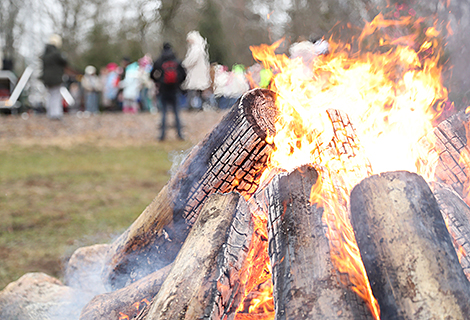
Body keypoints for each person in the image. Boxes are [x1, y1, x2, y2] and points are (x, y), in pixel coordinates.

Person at [150, 42, 186, 141]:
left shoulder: (159, 60)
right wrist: (178, 83)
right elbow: (184, 74)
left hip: (163, 90)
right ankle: (179, 134)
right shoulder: (176, 60)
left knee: (164, 113)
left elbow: (152, 74)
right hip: (174, 89)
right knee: (176, 113)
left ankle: (162, 136)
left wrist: (158, 81)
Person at [181, 31, 210, 110]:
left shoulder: (196, 48)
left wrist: (184, 64)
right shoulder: (199, 48)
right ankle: (202, 105)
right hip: (197, 72)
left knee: (192, 89)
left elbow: (192, 60)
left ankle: (191, 105)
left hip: (195, 73)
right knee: (198, 90)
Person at [40, 34, 67, 119]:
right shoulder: (56, 54)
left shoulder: (45, 55)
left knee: (50, 95)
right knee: (56, 95)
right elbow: (65, 62)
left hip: (47, 78)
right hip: (56, 78)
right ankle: (56, 113)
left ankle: (50, 113)